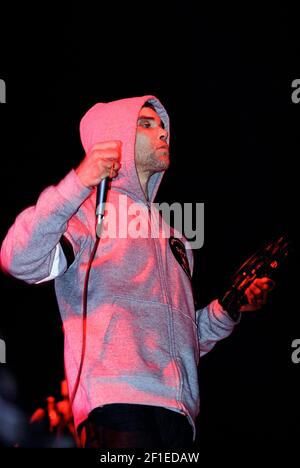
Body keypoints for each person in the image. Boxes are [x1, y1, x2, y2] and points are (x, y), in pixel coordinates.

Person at [0, 95, 274, 449]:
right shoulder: (86, 213)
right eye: (146, 124)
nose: (162, 133)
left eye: (162, 126)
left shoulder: (176, 240)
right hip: (117, 404)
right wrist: (79, 182)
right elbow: (19, 260)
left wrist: (228, 308)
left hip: (179, 414)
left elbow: (183, 340)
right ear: (115, 138)